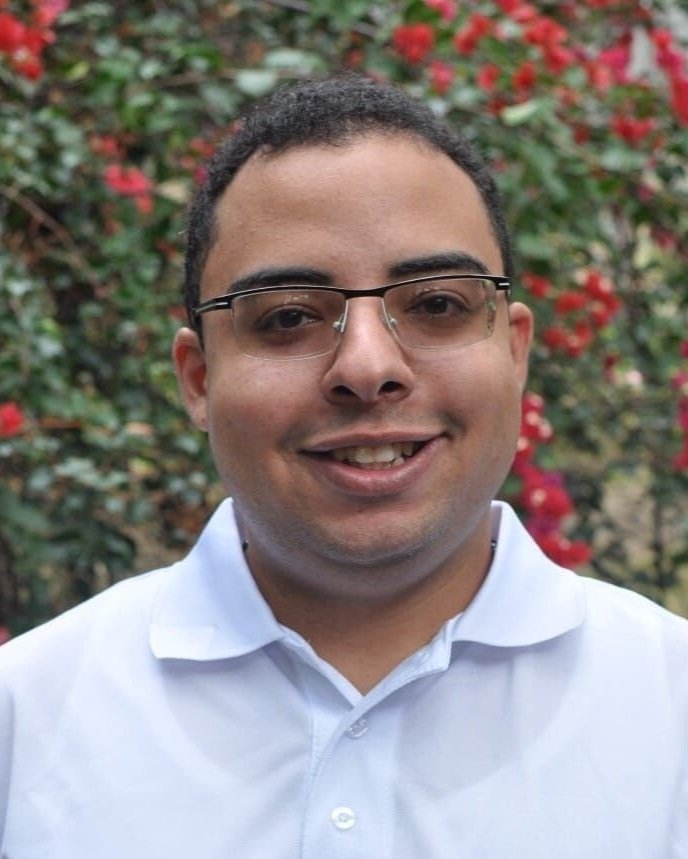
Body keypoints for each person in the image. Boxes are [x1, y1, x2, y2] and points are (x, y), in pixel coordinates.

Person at [1, 75, 686, 858]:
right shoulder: (27, 724)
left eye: (436, 304)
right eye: (289, 316)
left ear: (515, 349)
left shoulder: (670, 712)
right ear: (198, 378)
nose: (367, 367)